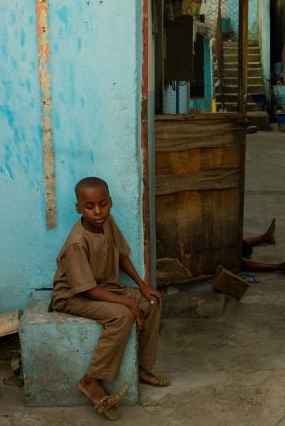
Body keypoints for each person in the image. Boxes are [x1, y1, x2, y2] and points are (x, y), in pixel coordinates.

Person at [52, 177, 169, 420]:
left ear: (110, 203)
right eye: (90, 206)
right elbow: (86, 290)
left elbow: (121, 255)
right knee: (121, 315)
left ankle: (141, 368)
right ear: (79, 208)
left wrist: (142, 285)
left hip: (105, 287)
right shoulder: (77, 242)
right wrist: (127, 303)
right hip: (73, 295)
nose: (97, 211)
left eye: (103, 204)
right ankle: (91, 380)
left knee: (151, 302)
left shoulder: (107, 222)